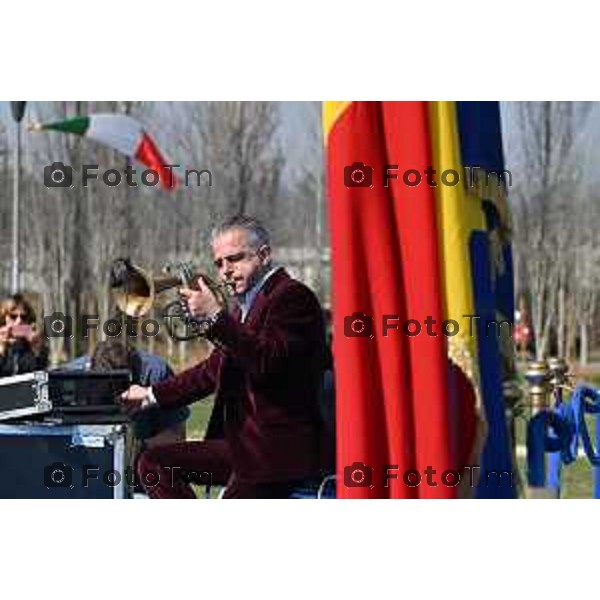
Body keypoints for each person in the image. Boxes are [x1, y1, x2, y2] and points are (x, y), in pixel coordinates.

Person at [121, 215, 332, 498]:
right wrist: (149, 395)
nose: (225, 272)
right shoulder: (241, 308)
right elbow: (211, 372)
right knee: (154, 463)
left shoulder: (293, 297)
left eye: (234, 259)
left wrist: (216, 317)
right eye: (219, 263)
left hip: (278, 453)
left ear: (264, 255)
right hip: (245, 447)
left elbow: (267, 361)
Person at [66, 339, 190, 448]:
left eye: (120, 388)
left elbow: (177, 438)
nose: (115, 397)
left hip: (142, 458)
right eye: (107, 389)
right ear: (91, 372)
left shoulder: (157, 373)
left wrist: (133, 446)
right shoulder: (72, 377)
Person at [0, 294, 48, 377]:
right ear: (4, 319)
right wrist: (1, 350)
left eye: (23, 317)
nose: (19, 321)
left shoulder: (29, 347)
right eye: (13, 317)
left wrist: (37, 352)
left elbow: (39, 379)